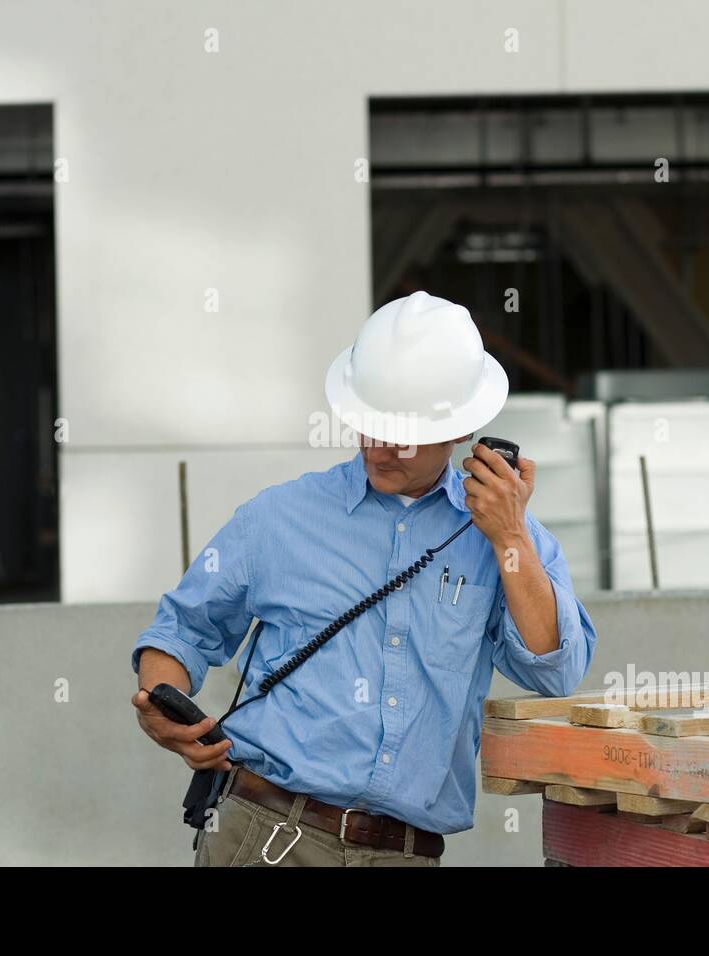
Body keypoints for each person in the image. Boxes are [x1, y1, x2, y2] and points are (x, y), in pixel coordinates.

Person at [131, 291, 597, 866]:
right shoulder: (277, 518)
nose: (378, 449)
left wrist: (509, 538)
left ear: (465, 430)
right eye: (367, 425)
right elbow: (181, 629)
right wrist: (159, 700)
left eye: (400, 434)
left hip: (405, 854)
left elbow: (555, 670)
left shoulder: (509, 538)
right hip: (269, 837)